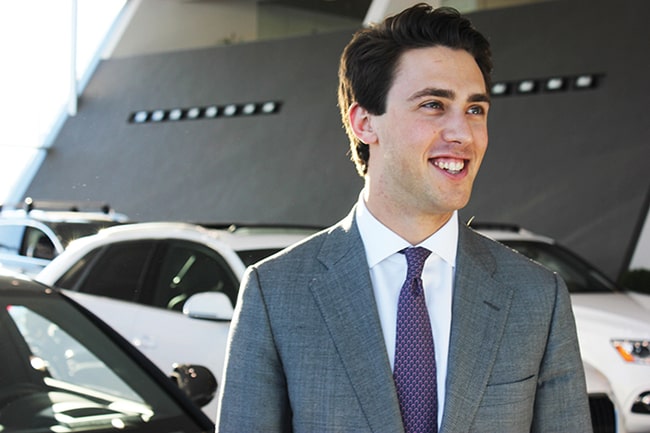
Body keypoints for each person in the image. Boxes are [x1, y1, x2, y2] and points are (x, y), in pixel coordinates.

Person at [216, 3, 592, 432]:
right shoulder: (276, 293)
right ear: (364, 123)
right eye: (433, 105)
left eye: (475, 110)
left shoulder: (537, 297)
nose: (463, 134)